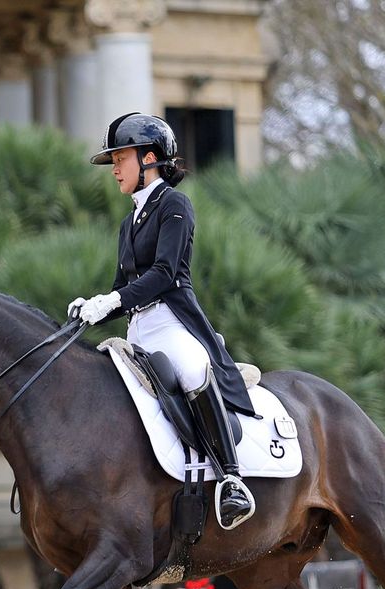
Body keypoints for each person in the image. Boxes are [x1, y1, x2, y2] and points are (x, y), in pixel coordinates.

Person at [69, 113, 258, 530]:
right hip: (139, 328)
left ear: (149, 158)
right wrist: (94, 308)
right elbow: (124, 286)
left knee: (192, 368)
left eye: (121, 157)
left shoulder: (174, 205)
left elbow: (164, 274)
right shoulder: (128, 222)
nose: (115, 168)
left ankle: (231, 478)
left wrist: (111, 299)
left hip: (173, 321)